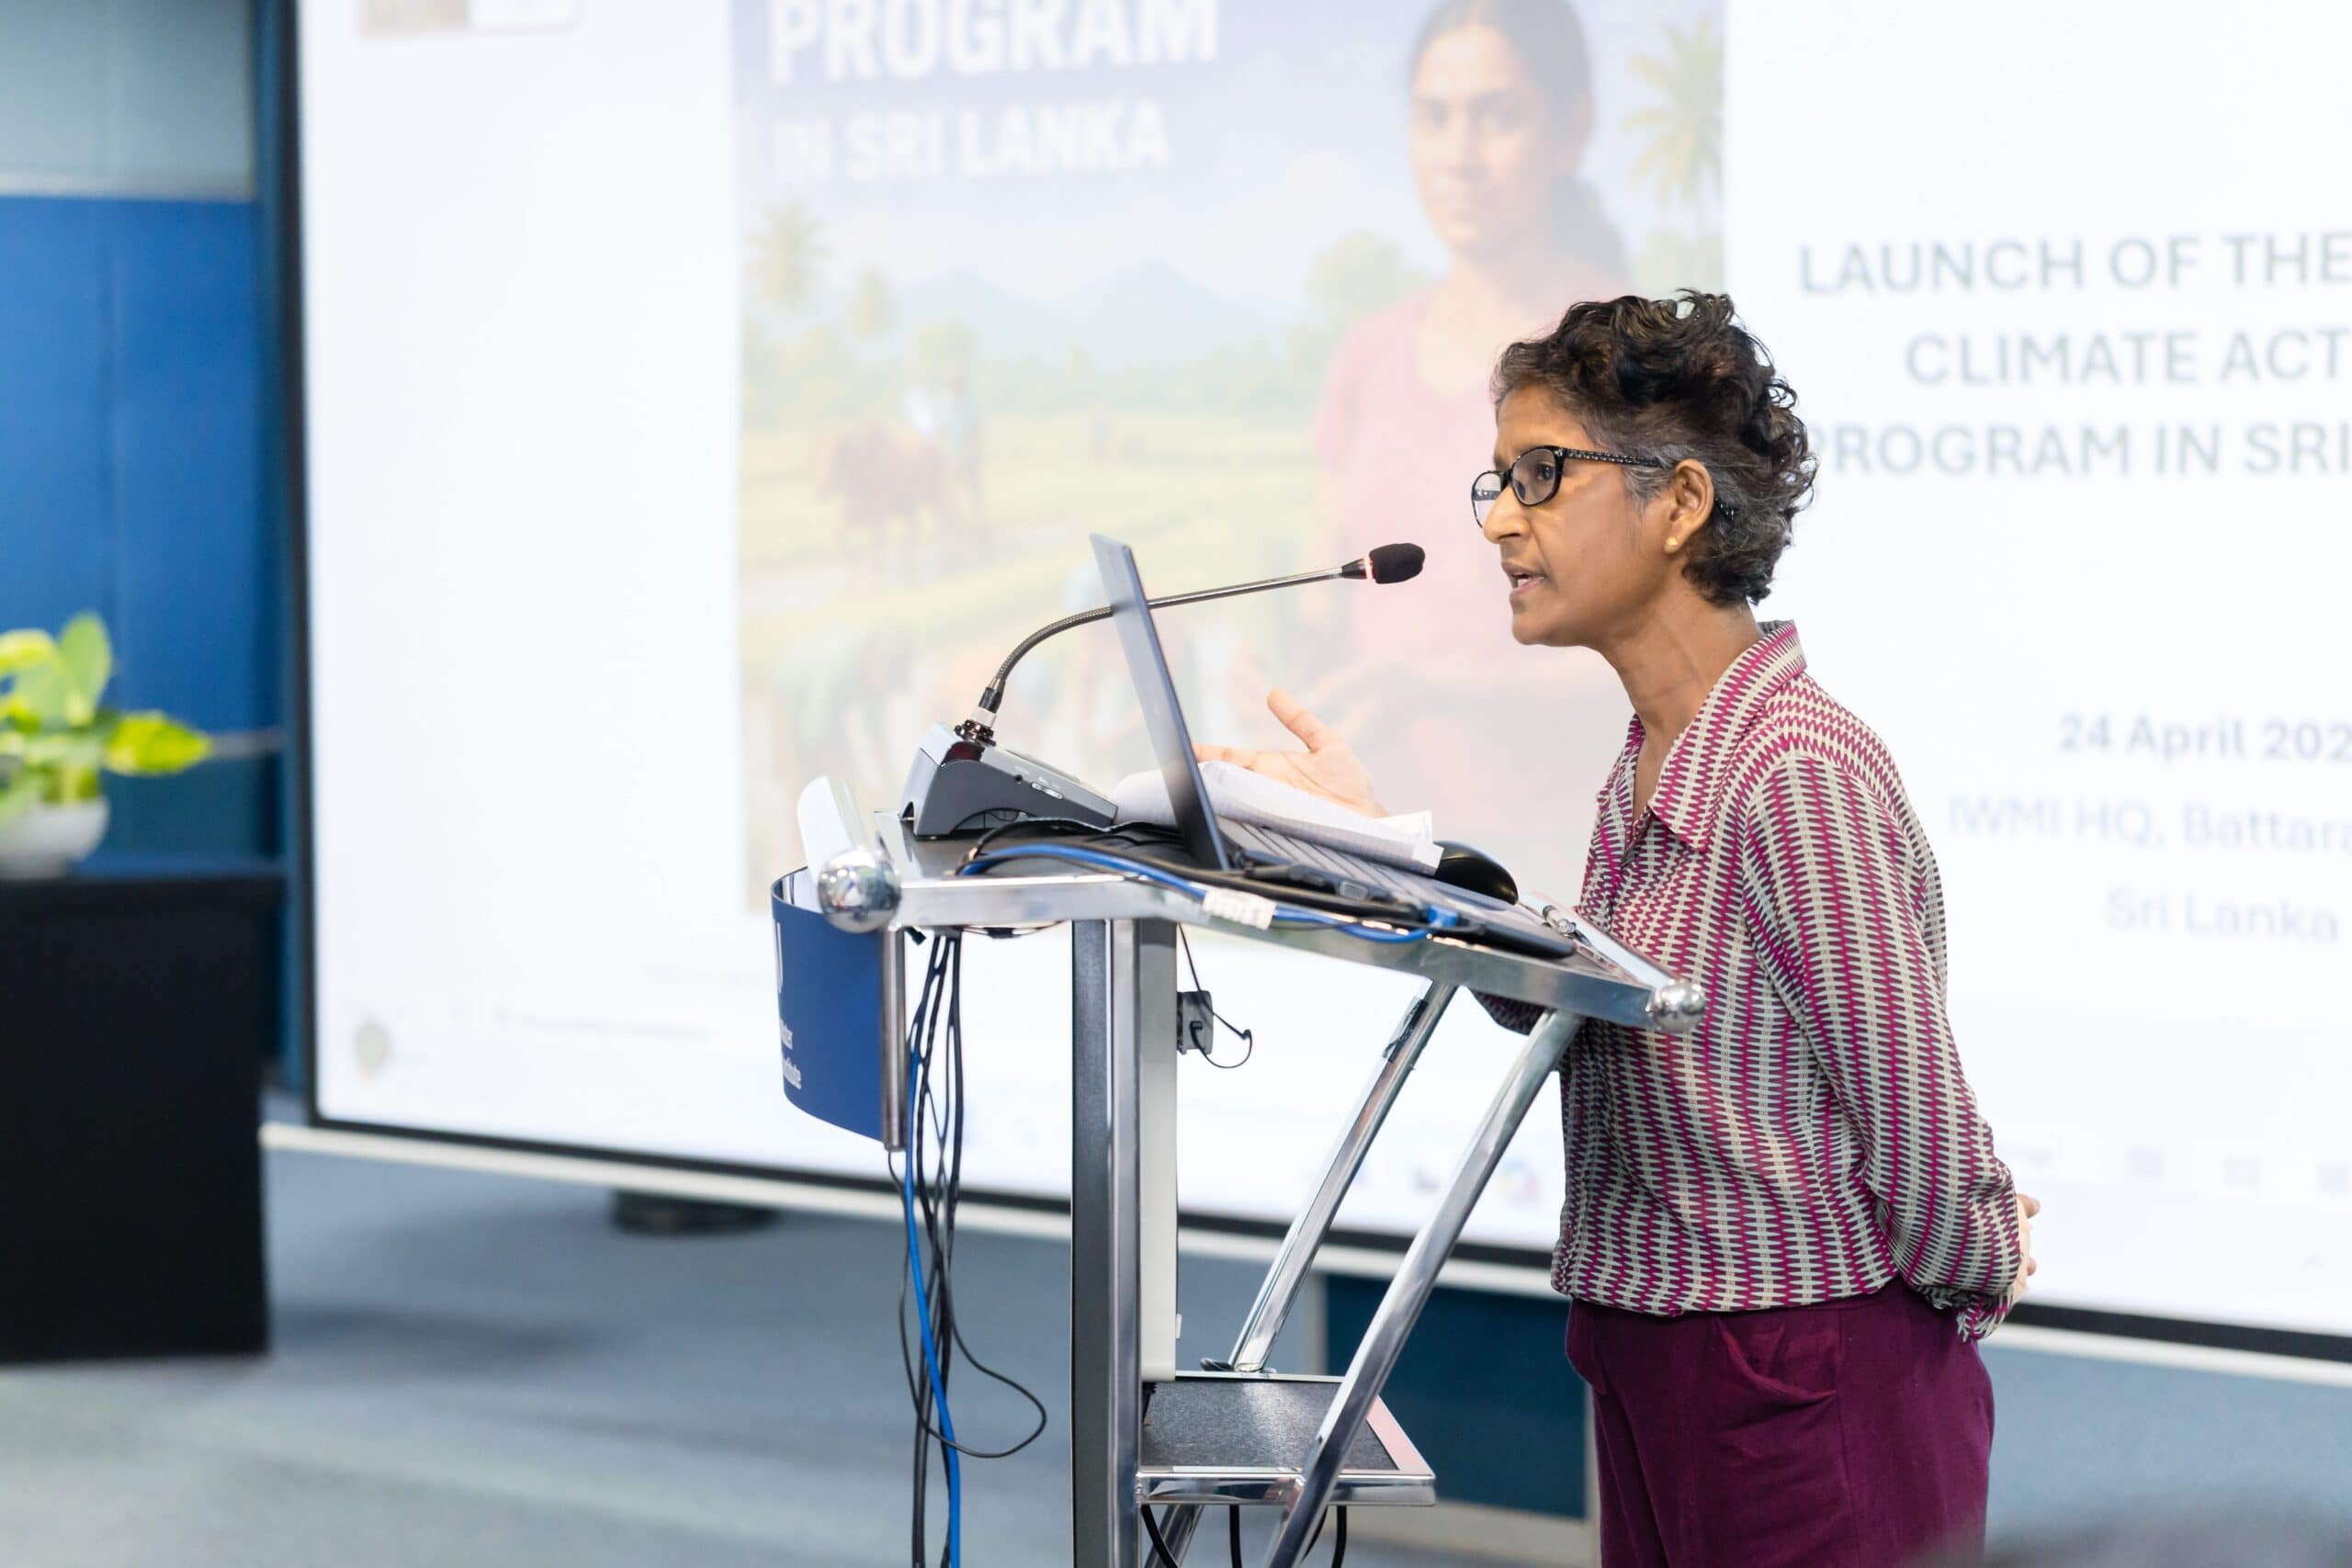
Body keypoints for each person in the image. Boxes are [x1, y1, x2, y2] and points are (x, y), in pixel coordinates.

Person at [1200, 292, 2040, 1568]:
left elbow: (1918, 1125)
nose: (1498, 519)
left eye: (1542, 475)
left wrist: (1980, 1252)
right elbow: (1592, 1000)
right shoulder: (1655, 755)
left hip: (1806, 1368)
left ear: (1681, 503)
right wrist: (1377, 846)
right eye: (1500, 478)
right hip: (1659, 1348)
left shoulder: (1792, 768)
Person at [1306, 0, 1637, 892]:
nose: (1460, 152)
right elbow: (1328, 617)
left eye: (1498, 115)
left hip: (1559, 872)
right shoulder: (1369, 352)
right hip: (1375, 855)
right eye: (1435, 116)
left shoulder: (1621, 353)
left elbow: (1655, 662)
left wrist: (1434, 688)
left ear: (1570, 129)